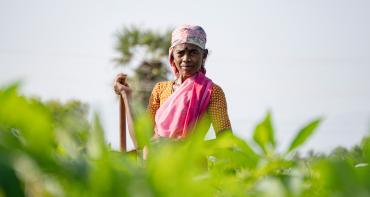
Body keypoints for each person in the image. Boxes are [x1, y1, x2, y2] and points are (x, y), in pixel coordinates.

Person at [114, 24, 232, 146]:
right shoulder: (160, 89)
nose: (186, 59)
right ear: (172, 55)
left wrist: (176, 144)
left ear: (204, 55)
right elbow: (140, 141)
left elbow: (227, 140)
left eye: (193, 53)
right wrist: (126, 95)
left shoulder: (212, 92)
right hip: (156, 164)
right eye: (180, 53)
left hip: (192, 164)